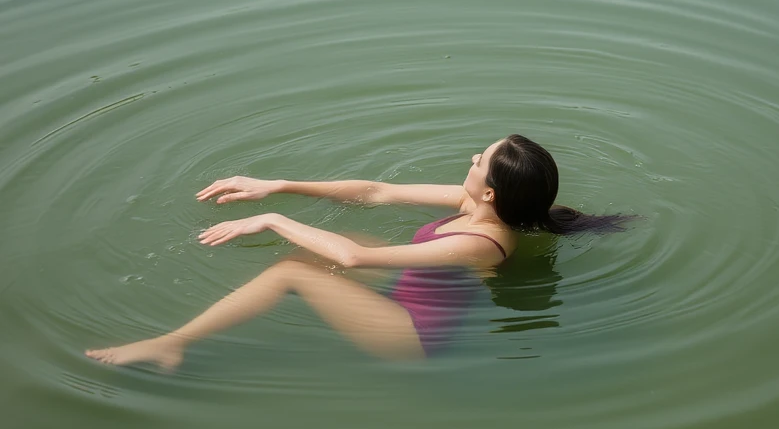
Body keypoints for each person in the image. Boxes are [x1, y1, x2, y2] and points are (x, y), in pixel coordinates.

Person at [86, 135, 632, 369]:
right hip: (410, 295)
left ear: (491, 191)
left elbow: (351, 258)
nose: (470, 156)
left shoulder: (478, 240)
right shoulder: (478, 206)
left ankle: (170, 344)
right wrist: (278, 185)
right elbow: (375, 192)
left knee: (291, 270)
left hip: (412, 337)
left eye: (479, 158)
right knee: (305, 257)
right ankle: (175, 341)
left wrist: (273, 219)